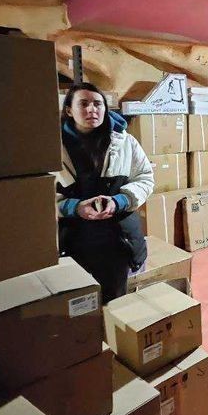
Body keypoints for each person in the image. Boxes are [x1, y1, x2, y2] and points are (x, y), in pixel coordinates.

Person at [55, 83, 154, 303]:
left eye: (98, 104)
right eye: (83, 104)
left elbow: (145, 178)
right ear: (69, 110)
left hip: (117, 241)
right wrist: (74, 207)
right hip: (73, 242)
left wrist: (119, 201)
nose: (92, 109)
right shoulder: (53, 148)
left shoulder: (125, 142)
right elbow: (41, 196)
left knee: (115, 302)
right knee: (79, 306)